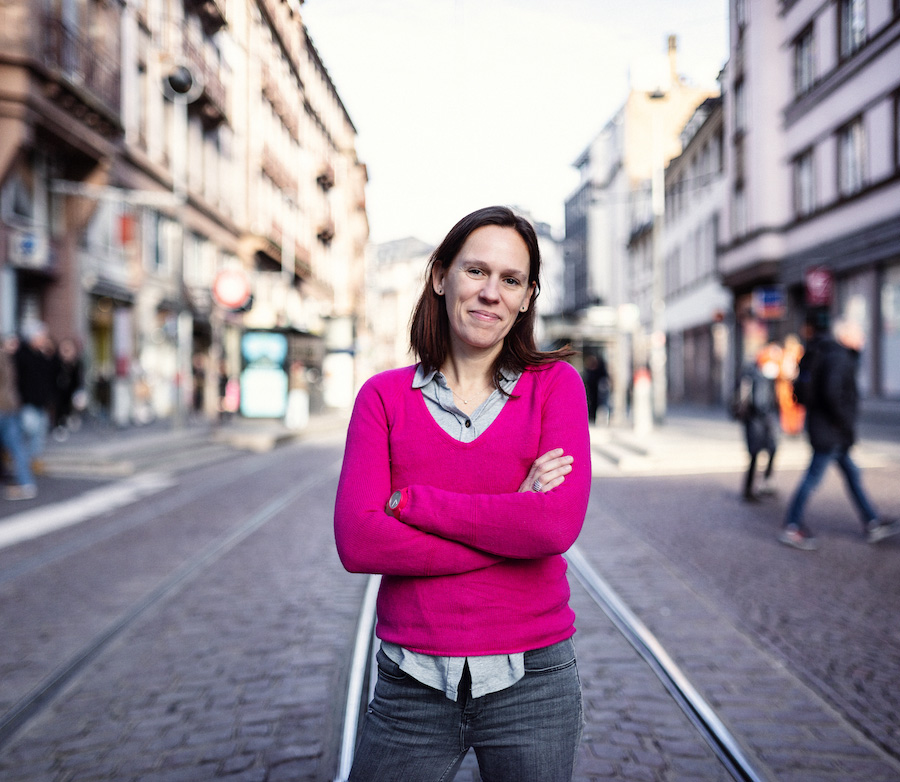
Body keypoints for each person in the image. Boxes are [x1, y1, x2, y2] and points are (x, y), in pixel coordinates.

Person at [334, 206, 591, 781]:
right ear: (440, 276)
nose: (491, 293)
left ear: (527, 298)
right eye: (476, 271)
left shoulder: (556, 387)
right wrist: (511, 523)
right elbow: (358, 541)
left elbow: (553, 529)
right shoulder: (383, 398)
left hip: (535, 683)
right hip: (412, 685)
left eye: (511, 280)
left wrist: (415, 504)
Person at [779, 315, 899, 550]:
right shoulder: (838, 357)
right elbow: (833, 393)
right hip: (831, 431)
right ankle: (791, 525)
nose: (862, 338)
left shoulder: (826, 352)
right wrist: (844, 423)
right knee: (813, 477)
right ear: (845, 336)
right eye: (858, 333)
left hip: (826, 429)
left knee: (852, 474)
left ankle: (872, 521)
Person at [736, 343, 781, 502]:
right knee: (756, 454)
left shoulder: (756, 373)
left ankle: (760, 484)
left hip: (759, 420)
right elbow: (760, 402)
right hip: (757, 421)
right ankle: (750, 490)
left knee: (768, 450)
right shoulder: (757, 375)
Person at [14, 321, 57, 474]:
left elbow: (51, 374)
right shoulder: (21, 355)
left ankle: (34, 461)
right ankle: (22, 463)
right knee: (28, 431)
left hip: (41, 402)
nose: (44, 339)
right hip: (27, 402)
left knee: (39, 433)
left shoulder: (42, 356)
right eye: (41, 336)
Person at [1, 335, 37, 500]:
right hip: (11, 406)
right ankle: (26, 483)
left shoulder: (6, 358)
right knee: (17, 447)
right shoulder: (8, 358)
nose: (14, 345)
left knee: (16, 447)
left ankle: (26, 483)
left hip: (4, 408)